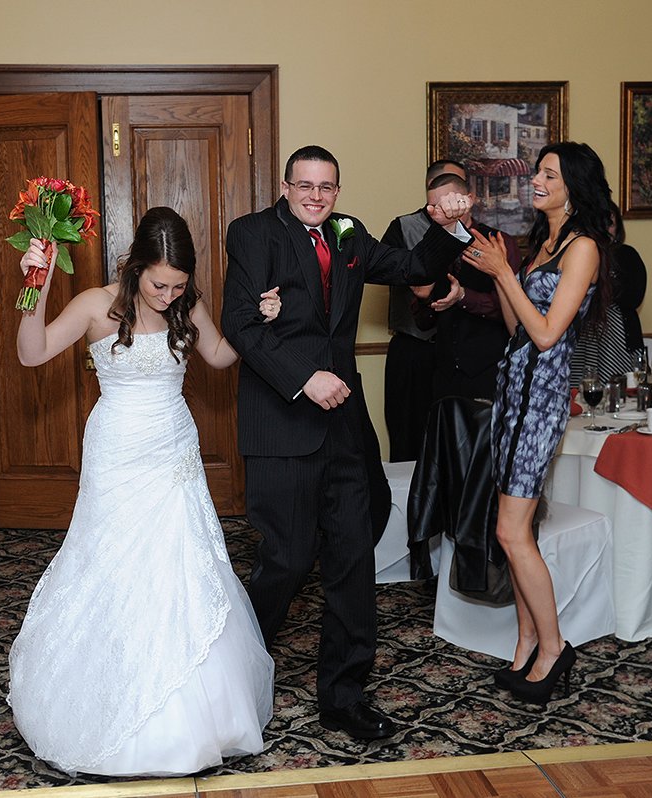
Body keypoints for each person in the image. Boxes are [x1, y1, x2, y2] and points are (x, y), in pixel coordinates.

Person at [7, 207, 281, 776]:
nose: (169, 294)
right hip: (117, 450)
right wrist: (33, 285)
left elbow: (221, 356)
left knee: (181, 561)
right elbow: (30, 353)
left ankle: (198, 707)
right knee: (112, 561)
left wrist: (261, 319)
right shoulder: (94, 304)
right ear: (134, 267)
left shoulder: (186, 305)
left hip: (174, 445)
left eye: (180, 285)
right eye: (159, 283)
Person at [222, 145, 471, 740]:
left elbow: (413, 269)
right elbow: (240, 324)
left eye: (326, 187)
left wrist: (448, 227)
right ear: (285, 187)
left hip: (343, 430)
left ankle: (344, 695)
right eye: (304, 185)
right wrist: (304, 378)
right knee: (285, 560)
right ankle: (229, 674)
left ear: (337, 191)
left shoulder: (349, 232)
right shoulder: (253, 234)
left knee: (354, 557)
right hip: (282, 426)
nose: (316, 196)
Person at [463, 141, 614, 706]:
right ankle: (526, 642)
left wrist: (506, 270)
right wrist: (505, 275)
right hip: (511, 391)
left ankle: (553, 647)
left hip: (542, 399)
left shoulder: (584, 248)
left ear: (574, 184)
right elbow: (516, 328)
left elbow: (549, 335)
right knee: (516, 530)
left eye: (549, 174)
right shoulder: (542, 243)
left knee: (510, 531)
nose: (537, 181)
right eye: (537, 173)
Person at [381, 159, 470, 460]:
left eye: (457, 191)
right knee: (408, 443)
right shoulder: (403, 228)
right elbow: (388, 272)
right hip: (413, 352)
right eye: (443, 190)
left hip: (462, 357)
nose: (452, 199)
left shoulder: (485, 236)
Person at [411, 172, 522, 401]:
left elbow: (511, 308)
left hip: (489, 372)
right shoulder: (429, 247)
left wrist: (463, 296)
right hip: (444, 375)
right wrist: (423, 298)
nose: (441, 213)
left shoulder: (497, 242)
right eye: (433, 208)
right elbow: (423, 322)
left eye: (447, 204)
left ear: (468, 200)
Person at [569, 210, 647, 386]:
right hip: (582, 338)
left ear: (618, 227)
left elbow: (634, 298)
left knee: (617, 394)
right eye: (599, 223)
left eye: (610, 223)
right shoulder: (574, 254)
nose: (605, 229)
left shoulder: (627, 255)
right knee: (579, 392)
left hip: (616, 338)